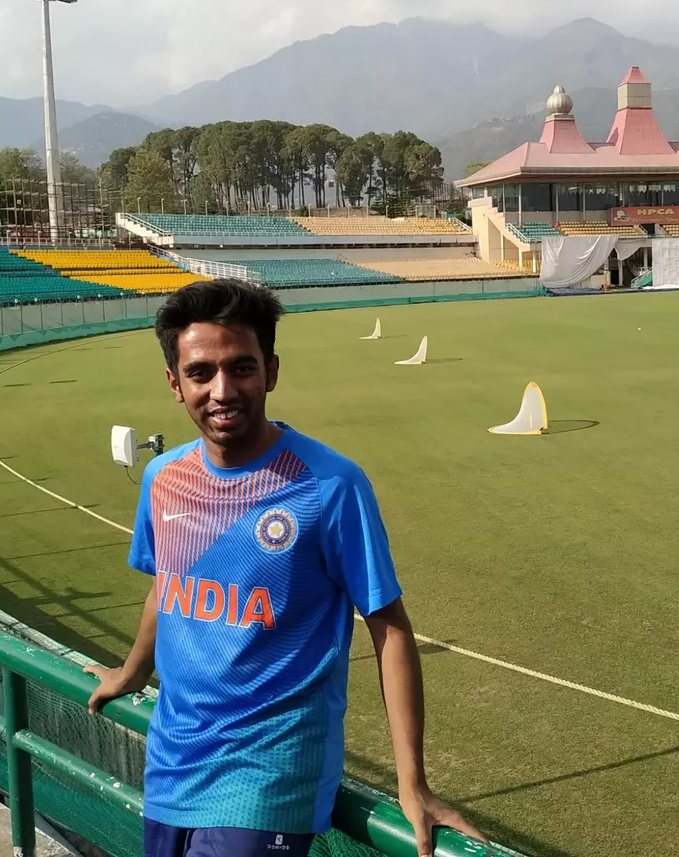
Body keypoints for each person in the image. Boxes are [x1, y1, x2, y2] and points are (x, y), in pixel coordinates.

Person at [84, 280, 484, 857]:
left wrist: (411, 781)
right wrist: (130, 673)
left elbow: (389, 628)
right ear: (175, 383)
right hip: (170, 766)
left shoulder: (330, 486)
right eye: (201, 373)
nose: (223, 390)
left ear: (270, 371)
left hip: (267, 779)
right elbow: (164, 588)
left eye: (241, 368)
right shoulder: (162, 479)